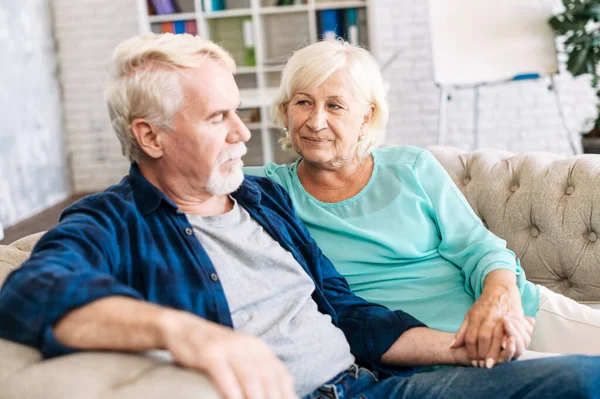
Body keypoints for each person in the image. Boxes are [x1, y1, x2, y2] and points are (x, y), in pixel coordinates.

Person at [0, 33, 598, 399]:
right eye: (218, 118)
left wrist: (458, 349)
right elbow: (32, 291)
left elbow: (350, 314)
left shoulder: (263, 201)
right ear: (149, 137)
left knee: (580, 381)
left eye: (240, 111)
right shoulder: (113, 220)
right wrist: (185, 334)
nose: (243, 132)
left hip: (373, 386)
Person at [244, 39, 600, 367]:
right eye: (303, 102)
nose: (316, 121)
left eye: (335, 105)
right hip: (431, 352)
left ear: (366, 117)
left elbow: (480, 249)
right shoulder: (268, 191)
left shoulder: (410, 168)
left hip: (513, 312)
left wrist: (497, 302)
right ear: (285, 110)